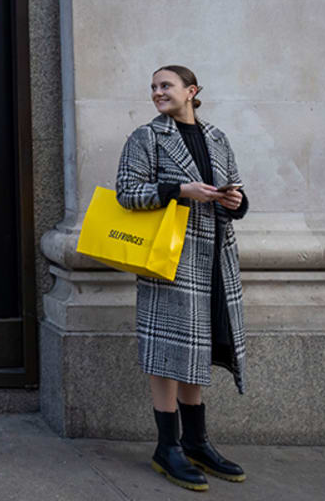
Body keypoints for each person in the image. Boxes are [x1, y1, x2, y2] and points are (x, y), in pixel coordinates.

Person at [115, 65, 249, 492]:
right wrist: (179, 190)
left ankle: (196, 442)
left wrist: (234, 200)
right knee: (168, 350)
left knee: (199, 346)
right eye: (153, 87)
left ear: (191, 91)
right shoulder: (146, 138)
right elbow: (126, 192)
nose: (157, 92)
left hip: (214, 260)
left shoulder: (217, 138)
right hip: (169, 259)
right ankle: (167, 446)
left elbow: (238, 195)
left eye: (165, 86)